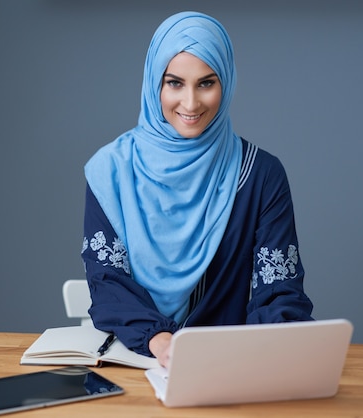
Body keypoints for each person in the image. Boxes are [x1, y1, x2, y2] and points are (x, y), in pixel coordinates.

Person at [81, 11, 313, 368]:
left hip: (229, 369)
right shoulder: (110, 171)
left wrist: (262, 355)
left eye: (206, 83)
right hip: (136, 362)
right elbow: (108, 283)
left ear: (228, 83)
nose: (190, 104)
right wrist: (161, 343)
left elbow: (279, 291)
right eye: (175, 83)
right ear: (154, 83)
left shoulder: (260, 174)